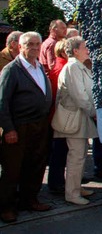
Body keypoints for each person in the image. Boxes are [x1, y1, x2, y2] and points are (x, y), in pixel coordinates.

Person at [0, 32, 53, 223]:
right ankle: (6, 207)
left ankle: (29, 199)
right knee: (12, 168)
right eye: (30, 44)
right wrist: (8, 128)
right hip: (18, 126)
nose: (35, 47)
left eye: (37, 44)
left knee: (35, 164)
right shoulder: (12, 70)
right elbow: (2, 102)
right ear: (20, 46)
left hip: (39, 125)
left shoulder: (39, 67)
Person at [53, 36, 97, 205]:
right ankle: (71, 193)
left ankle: (76, 187)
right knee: (76, 156)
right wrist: (94, 112)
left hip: (81, 117)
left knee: (80, 155)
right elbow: (80, 96)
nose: (88, 50)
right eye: (85, 47)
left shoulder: (79, 67)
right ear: (76, 50)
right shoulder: (72, 67)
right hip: (75, 117)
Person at [47, 39, 69, 194]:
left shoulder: (58, 65)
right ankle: (56, 183)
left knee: (60, 152)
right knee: (59, 152)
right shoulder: (62, 67)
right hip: (61, 115)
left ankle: (58, 182)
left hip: (58, 114)